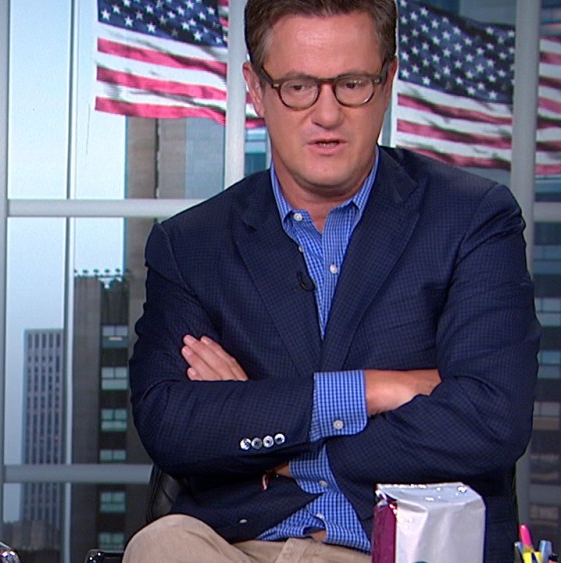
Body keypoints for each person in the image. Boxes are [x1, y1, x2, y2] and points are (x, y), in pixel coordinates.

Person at [124, 0, 540, 562]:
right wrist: (370, 391)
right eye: (298, 86)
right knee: (162, 545)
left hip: (399, 550)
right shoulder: (192, 244)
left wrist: (283, 444)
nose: (326, 114)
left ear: (387, 82)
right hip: (240, 546)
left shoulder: (471, 218)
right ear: (256, 89)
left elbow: (489, 417)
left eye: (352, 84)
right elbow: (172, 424)